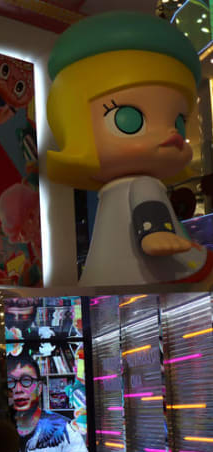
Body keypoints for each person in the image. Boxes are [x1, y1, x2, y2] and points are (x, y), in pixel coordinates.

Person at [46, 11, 212, 286]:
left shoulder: (118, 191)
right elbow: (147, 206)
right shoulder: (144, 184)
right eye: (129, 118)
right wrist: (155, 233)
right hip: (157, 274)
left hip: (114, 278)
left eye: (178, 122)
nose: (171, 133)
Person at [7, 353, 89, 452]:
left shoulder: (64, 429)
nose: (18, 389)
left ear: (39, 388)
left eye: (26, 381)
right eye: (10, 382)